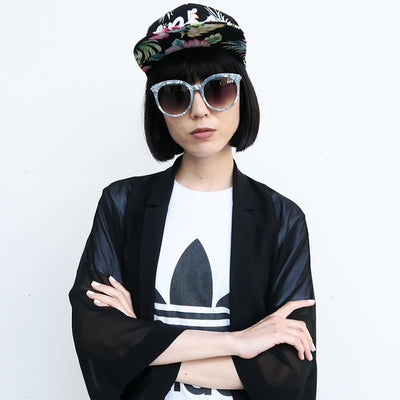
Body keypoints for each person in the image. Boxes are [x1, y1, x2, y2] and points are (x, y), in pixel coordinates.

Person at [68, 3, 317, 400]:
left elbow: (289, 368)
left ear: (242, 94)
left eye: (218, 89)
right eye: (175, 95)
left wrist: (142, 347)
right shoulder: (123, 204)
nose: (199, 110)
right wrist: (239, 342)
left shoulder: (281, 218)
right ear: (159, 110)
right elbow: (97, 336)